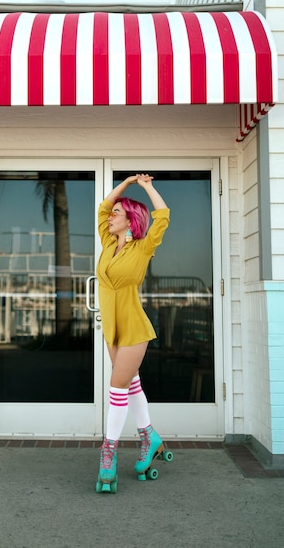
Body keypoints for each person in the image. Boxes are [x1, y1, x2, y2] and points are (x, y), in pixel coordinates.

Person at [95, 173, 170, 493]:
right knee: (131, 385)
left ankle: (108, 453)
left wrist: (147, 187)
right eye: (112, 214)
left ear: (130, 221)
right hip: (111, 327)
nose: (110, 217)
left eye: (117, 214)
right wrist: (124, 183)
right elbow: (102, 206)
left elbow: (163, 216)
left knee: (117, 388)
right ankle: (149, 436)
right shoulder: (108, 241)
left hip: (135, 328)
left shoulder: (143, 247)